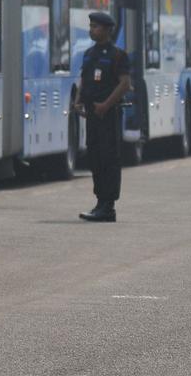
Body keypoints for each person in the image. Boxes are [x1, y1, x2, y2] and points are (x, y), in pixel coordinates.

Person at [74, 11, 132, 223]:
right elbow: (84, 78)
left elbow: (125, 83)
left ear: (107, 30)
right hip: (92, 114)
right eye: (90, 26)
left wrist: (106, 105)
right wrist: (78, 100)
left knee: (109, 159)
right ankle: (100, 201)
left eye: (95, 26)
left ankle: (109, 206)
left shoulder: (117, 55)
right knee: (95, 158)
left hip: (108, 115)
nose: (91, 30)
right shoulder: (89, 54)